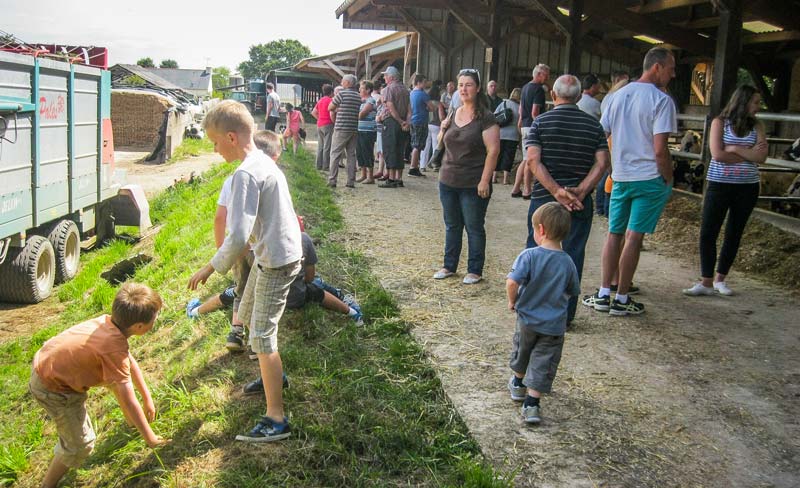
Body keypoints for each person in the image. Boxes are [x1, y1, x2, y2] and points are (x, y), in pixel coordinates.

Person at [189, 100, 303, 442]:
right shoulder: (263, 163)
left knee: (263, 337)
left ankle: (276, 418)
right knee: (249, 312)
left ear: (231, 137)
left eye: (214, 141)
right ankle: (274, 378)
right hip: (279, 253)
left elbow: (238, 235)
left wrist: (210, 268)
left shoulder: (245, 174)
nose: (213, 148)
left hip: (276, 261)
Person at [30, 283, 168, 487]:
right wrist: (152, 439)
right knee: (79, 446)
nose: (156, 320)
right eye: (154, 318)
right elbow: (129, 399)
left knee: (117, 378)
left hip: (49, 365)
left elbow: (128, 364)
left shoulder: (109, 324)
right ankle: (46, 485)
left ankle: (133, 423)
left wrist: (147, 398)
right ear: (138, 326)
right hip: (53, 387)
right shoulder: (112, 348)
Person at [582, 47, 677, 316]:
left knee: (614, 234)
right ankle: (622, 298)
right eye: (670, 69)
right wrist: (668, 177)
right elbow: (660, 149)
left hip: (621, 176)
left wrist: (611, 165)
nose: (672, 75)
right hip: (648, 177)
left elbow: (603, 135)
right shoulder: (661, 101)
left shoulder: (616, 96)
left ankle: (602, 294)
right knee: (634, 237)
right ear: (656, 67)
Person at [186, 131, 283, 353]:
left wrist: (222, 249)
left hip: (239, 249)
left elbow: (220, 217)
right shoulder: (268, 175)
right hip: (258, 247)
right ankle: (253, 345)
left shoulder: (234, 179)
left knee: (241, 291)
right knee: (256, 294)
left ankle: (236, 332)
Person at [524, 75, 610, 325]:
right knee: (572, 256)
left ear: (553, 95)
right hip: (579, 203)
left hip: (544, 200)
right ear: (580, 94)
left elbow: (532, 161)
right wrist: (581, 191)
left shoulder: (540, 121)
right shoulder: (593, 125)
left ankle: (532, 309)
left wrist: (555, 191)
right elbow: (603, 162)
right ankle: (564, 315)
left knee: (536, 251)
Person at [683, 85, 767, 297]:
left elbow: (762, 157)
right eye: (755, 102)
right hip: (719, 184)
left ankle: (721, 278)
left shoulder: (757, 126)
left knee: (734, 232)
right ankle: (706, 281)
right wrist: (748, 154)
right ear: (744, 101)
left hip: (747, 186)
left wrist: (735, 149)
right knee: (708, 231)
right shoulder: (719, 123)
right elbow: (717, 154)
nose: (758, 107)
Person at [506, 202, 580, 424]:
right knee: (543, 360)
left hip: (527, 319)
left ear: (541, 230)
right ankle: (532, 405)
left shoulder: (528, 256)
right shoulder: (568, 262)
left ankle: (518, 384)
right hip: (554, 325)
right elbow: (573, 290)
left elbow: (512, 282)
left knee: (523, 349)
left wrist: (513, 300)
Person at [433, 68, 500, 284]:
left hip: (473, 182)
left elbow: (493, 150)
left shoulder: (486, 117)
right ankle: (449, 265)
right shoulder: (454, 112)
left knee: (473, 226)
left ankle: (474, 269)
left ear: (478, 88)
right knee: (452, 225)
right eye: (461, 85)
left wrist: (484, 180)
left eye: (468, 84)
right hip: (448, 179)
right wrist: (443, 129)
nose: (463, 89)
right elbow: (440, 144)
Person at [513, 63, 550, 199]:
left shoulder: (525, 87)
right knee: (531, 159)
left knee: (525, 159)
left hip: (524, 125)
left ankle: (516, 188)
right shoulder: (538, 90)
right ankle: (527, 190)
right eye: (546, 75)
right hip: (532, 126)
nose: (548, 78)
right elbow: (535, 112)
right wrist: (541, 126)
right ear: (539, 74)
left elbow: (521, 110)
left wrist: (520, 123)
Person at [378, 66, 411, 188]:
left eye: (386, 75)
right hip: (403, 123)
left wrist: (399, 121)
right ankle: (399, 178)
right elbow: (409, 109)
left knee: (390, 149)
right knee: (400, 149)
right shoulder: (405, 90)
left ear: (391, 77)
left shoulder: (387, 89)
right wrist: (406, 122)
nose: (384, 77)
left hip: (392, 122)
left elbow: (391, 108)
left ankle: (391, 179)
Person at [327, 74, 362, 188]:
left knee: (335, 154)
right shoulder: (358, 96)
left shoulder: (341, 94)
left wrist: (339, 108)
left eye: (343, 81)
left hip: (341, 127)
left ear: (348, 83)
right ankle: (350, 181)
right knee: (351, 155)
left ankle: (332, 180)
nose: (341, 83)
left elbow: (330, 107)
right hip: (353, 128)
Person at [493, 87, 521, 185]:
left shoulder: (503, 103)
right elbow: (520, 122)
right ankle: (505, 179)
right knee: (508, 157)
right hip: (513, 135)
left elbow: (494, 116)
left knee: (498, 155)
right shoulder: (520, 107)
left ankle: (494, 177)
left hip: (501, 133)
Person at [409, 73, 434, 177]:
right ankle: (413, 168)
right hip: (421, 121)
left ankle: (414, 166)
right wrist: (428, 108)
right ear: (419, 82)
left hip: (413, 120)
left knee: (415, 143)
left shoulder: (411, 93)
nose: (425, 84)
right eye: (424, 82)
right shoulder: (423, 94)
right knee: (418, 145)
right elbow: (432, 107)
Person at [356, 80, 378, 184]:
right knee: (360, 152)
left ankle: (370, 176)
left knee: (367, 152)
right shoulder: (362, 101)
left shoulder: (371, 101)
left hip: (368, 131)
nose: (360, 89)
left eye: (362, 88)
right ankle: (363, 174)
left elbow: (361, 115)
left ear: (368, 90)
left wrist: (355, 114)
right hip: (360, 129)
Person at [312, 84, 334, 170]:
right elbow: (332, 112)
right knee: (327, 146)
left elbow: (313, 112)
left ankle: (318, 165)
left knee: (320, 145)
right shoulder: (331, 100)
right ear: (331, 92)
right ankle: (326, 166)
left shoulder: (320, 100)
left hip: (319, 124)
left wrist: (319, 119)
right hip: (328, 124)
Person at [420, 83, 442, 171]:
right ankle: (434, 164)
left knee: (425, 146)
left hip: (427, 124)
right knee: (435, 145)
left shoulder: (427, 103)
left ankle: (422, 165)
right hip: (436, 125)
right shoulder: (438, 104)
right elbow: (441, 116)